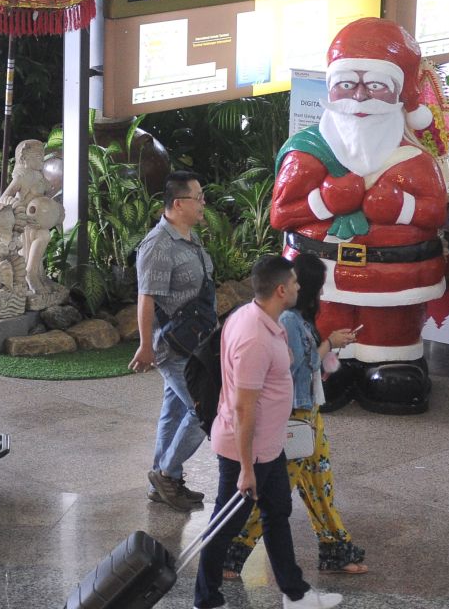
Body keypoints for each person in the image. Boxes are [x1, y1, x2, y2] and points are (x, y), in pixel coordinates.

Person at [272, 17, 449, 414]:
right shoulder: (306, 153)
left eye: (376, 86)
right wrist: (324, 202)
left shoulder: (415, 160)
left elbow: (435, 212)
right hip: (322, 273)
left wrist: (401, 208)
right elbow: (281, 214)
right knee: (323, 327)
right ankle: (328, 366)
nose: (360, 97)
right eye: (348, 84)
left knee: (391, 352)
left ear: (400, 94)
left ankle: (390, 359)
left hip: (394, 281)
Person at [194, 255, 343, 609]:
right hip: (249, 450)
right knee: (225, 525)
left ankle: (296, 593)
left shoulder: (252, 315)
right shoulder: (255, 339)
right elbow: (245, 408)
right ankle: (206, 599)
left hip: (268, 446)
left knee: (277, 512)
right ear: (280, 290)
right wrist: (246, 468)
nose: (298, 286)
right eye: (293, 282)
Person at [223, 254, 367, 580]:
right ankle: (231, 553)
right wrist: (329, 344)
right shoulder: (286, 321)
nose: (301, 287)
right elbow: (287, 371)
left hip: (308, 413)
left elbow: (306, 366)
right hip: (293, 418)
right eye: (297, 282)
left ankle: (336, 549)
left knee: (320, 484)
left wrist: (328, 349)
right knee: (278, 496)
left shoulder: (296, 319)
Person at [129, 170, 213, 511]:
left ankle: (165, 480)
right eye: (199, 198)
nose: (203, 204)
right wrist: (146, 346)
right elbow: (146, 297)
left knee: (173, 410)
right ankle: (167, 474)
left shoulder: (188, 237)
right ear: (178, 204)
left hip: (194, 344)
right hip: (173, 347)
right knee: (203, 408)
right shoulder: (158, 245)